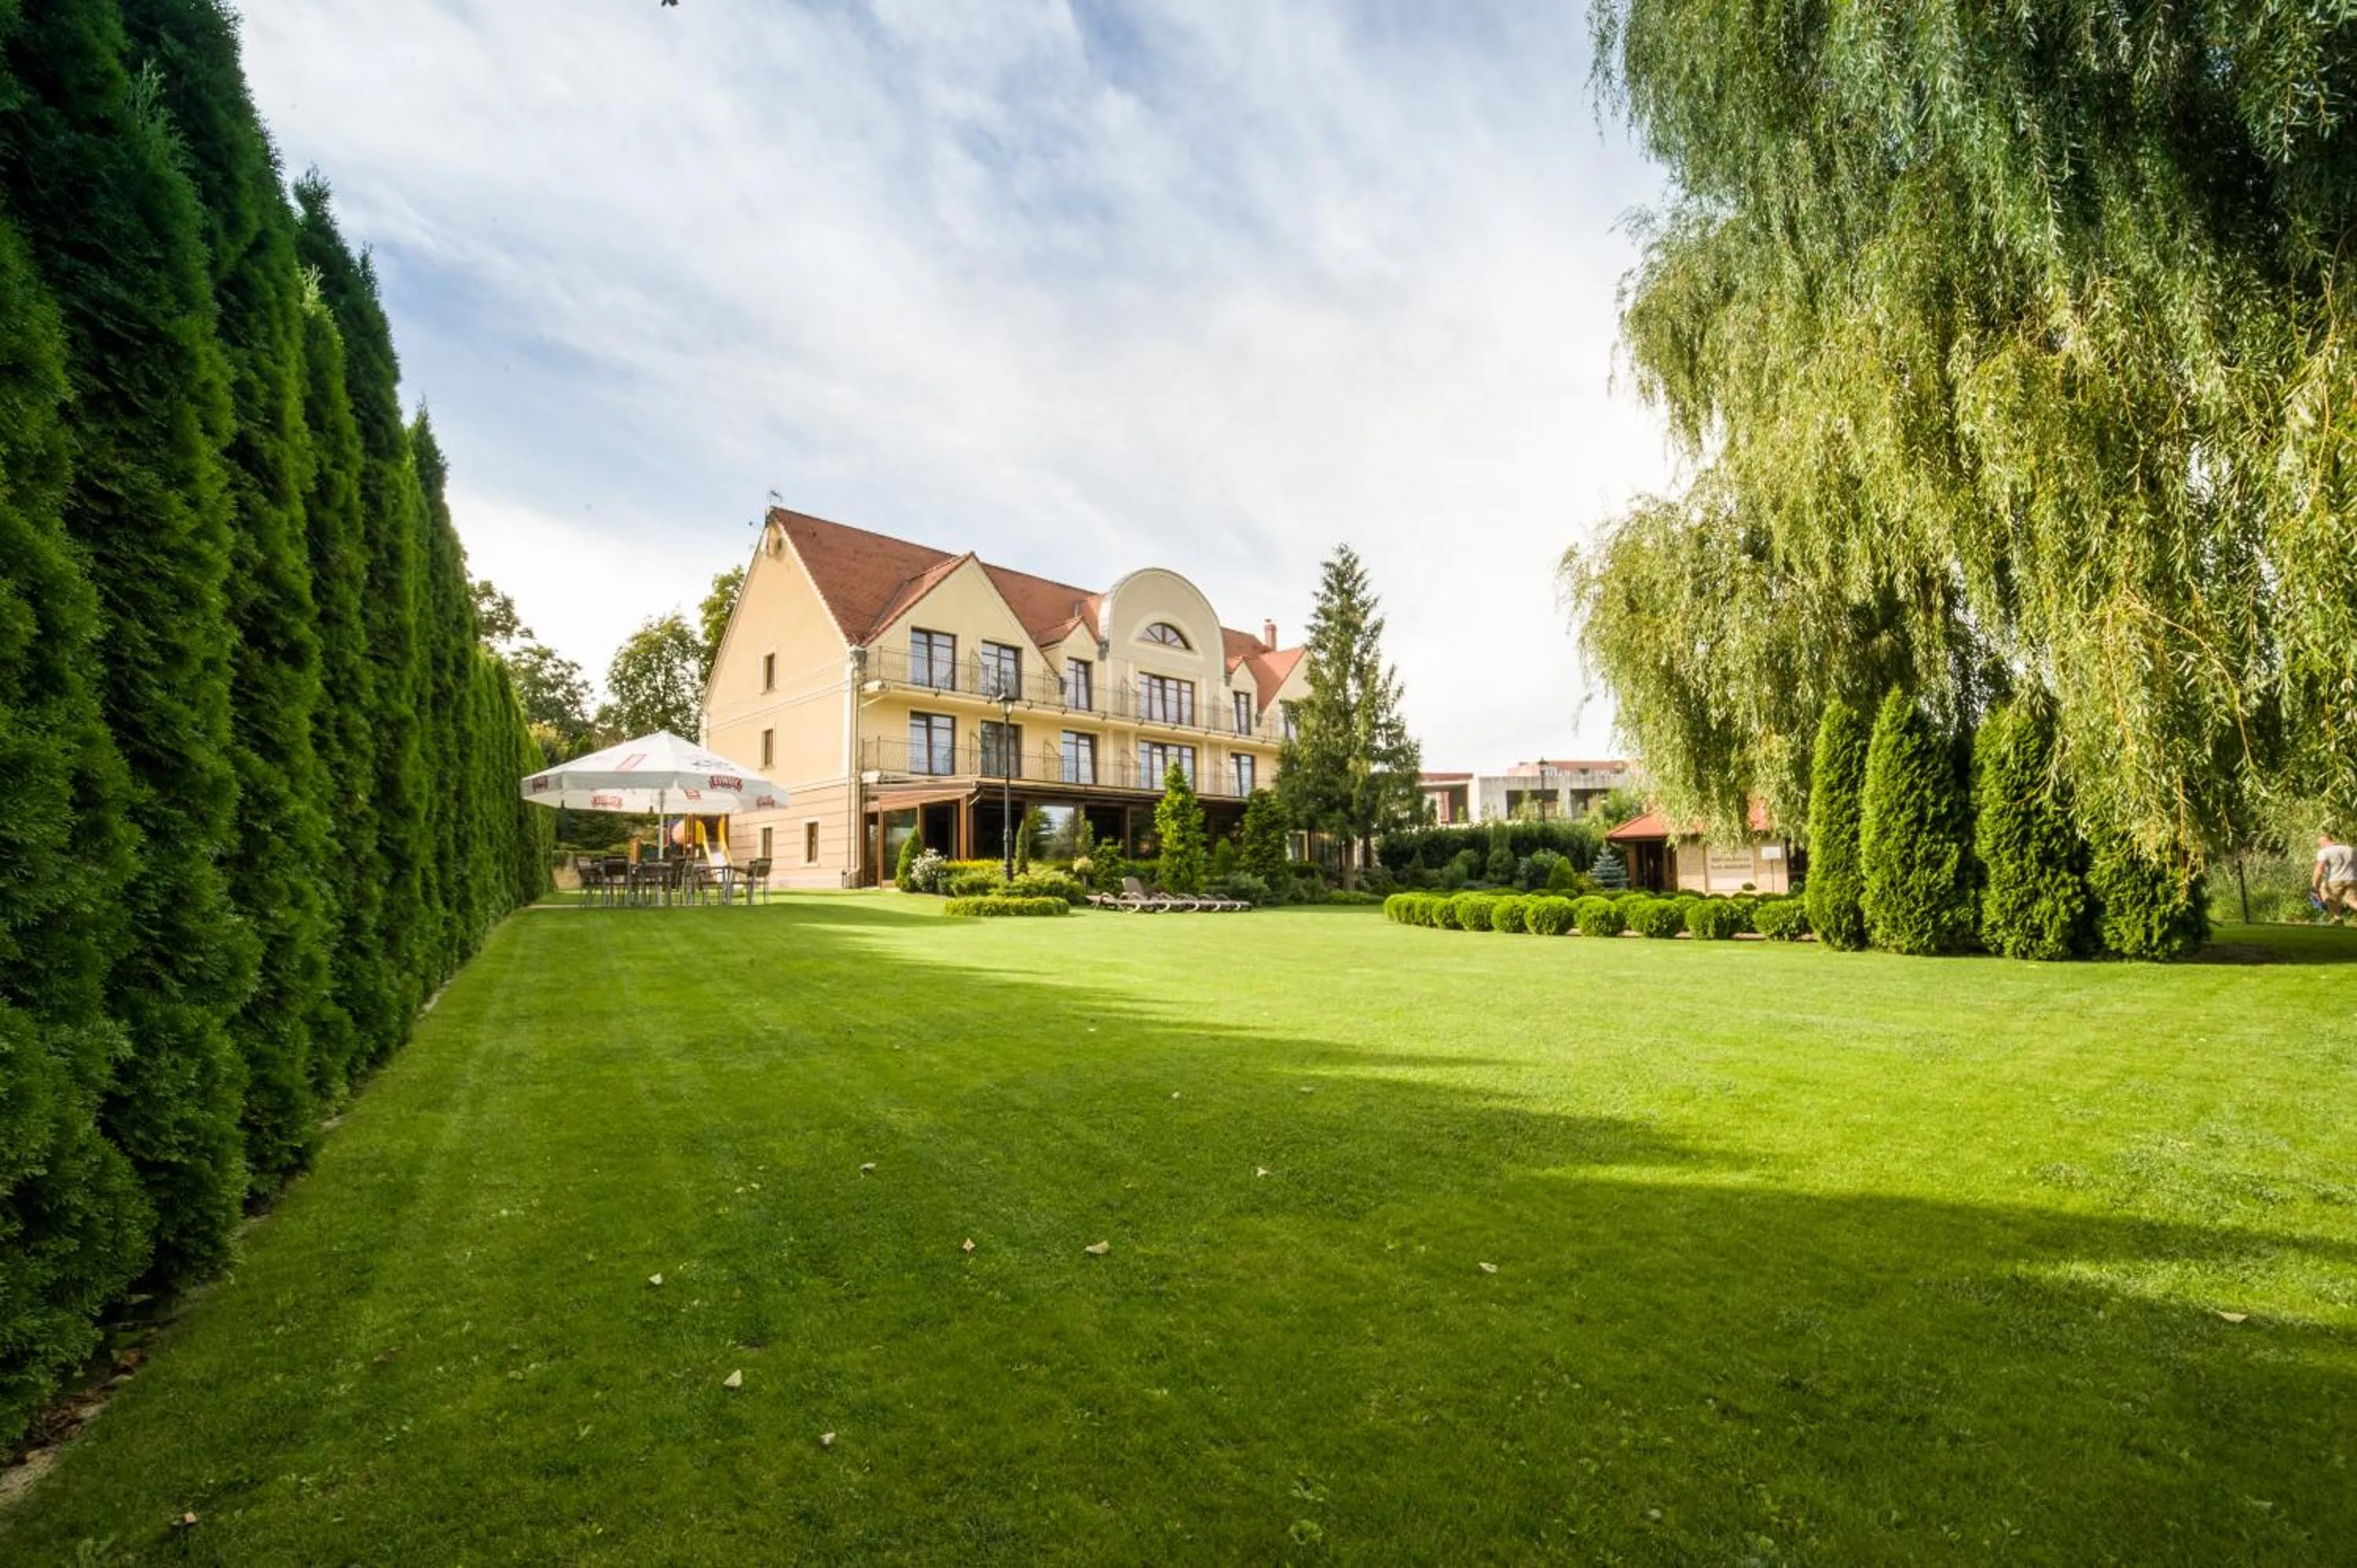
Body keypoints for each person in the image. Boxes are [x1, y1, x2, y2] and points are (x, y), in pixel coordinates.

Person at [2315, 830, 2357, 922]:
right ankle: (2337, 919)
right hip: (2353, 878)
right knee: (2352, 900)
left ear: (2323, 842)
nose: (2320, 846)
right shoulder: (2350, 849)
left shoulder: (2325, 851)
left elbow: (2319, 869)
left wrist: (2315, 885)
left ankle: (2338, 918)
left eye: (2319, 844)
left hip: (2335, 879)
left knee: (2327, 895)